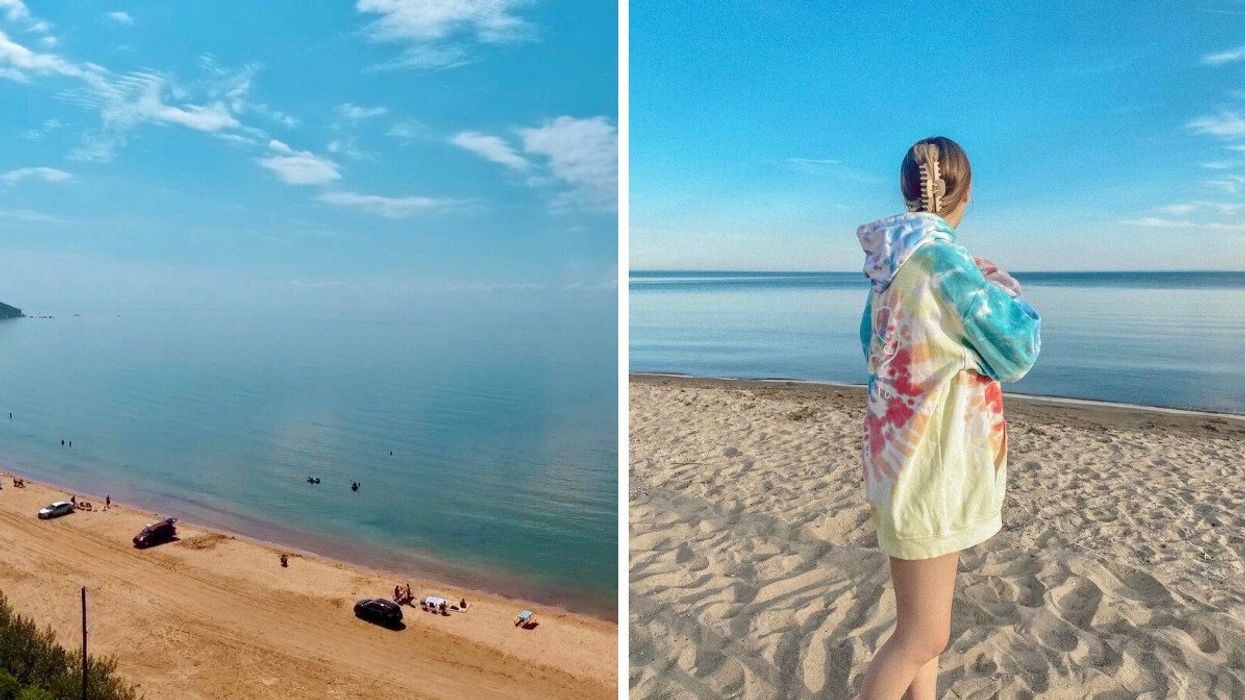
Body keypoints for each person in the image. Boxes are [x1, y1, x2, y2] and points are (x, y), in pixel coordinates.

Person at [855, 137, 1040, 699]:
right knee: (922, 635)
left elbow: (872, 343)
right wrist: (999, 282)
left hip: (902, 462)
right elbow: (1018, 348)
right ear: (966, 193)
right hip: (933, 467)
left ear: (908, 193)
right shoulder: (945, 263)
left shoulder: (892, 266)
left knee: (926, 634)